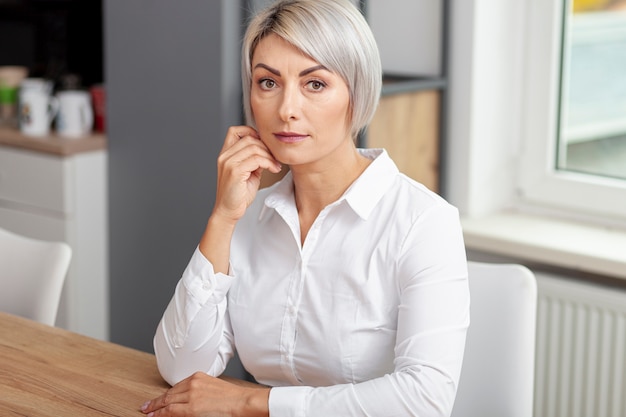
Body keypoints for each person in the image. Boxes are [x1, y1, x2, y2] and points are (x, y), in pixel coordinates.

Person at [141, 0, 469, 416]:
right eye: (268, 82)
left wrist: (253, 401)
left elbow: (424, 399)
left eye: (315, 84)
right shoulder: (250, 215)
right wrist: (222, 219)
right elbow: (181, 367)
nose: (286, 109)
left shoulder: (423, 223)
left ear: (357, 92)